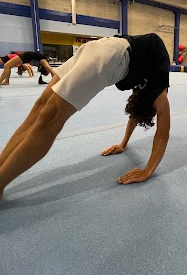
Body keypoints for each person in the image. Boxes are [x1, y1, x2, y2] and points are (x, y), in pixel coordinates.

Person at [0, 33, 170, 200]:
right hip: (112, 56)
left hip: (99, 46)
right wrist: (147, 171)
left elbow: (136, 115)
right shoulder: (159, 92)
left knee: (42, 108)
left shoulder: (148, 83)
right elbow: (162, 133)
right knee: (49, 118)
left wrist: (123, 144)